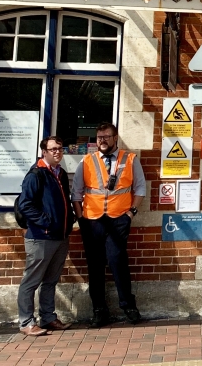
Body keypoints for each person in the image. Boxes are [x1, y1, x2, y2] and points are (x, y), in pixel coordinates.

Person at [72, 122, 146, 326]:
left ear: (115, 139)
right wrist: (81, 219)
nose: (102, 141)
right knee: (95, 266)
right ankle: (99, 310)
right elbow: (76, 193)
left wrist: (130, 214)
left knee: (118, 262)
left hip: (118, 220)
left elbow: (140, 188)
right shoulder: (87, 161)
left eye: (106, 137)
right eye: (99, 138)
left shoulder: (130, 159)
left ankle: (128, 306)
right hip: (92, 221)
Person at [16, 136, 76, 336]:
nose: (57, 152)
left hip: (60, 236)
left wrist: (69, 221)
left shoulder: (60, 174)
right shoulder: (36, 174)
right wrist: (47, 222)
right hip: (41, 237)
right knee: (31, 281)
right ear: (44, 152)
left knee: (50, 280)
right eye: (52, 149)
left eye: (60, 148)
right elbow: (25, 205)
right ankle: (26, 322)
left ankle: (48, 317)